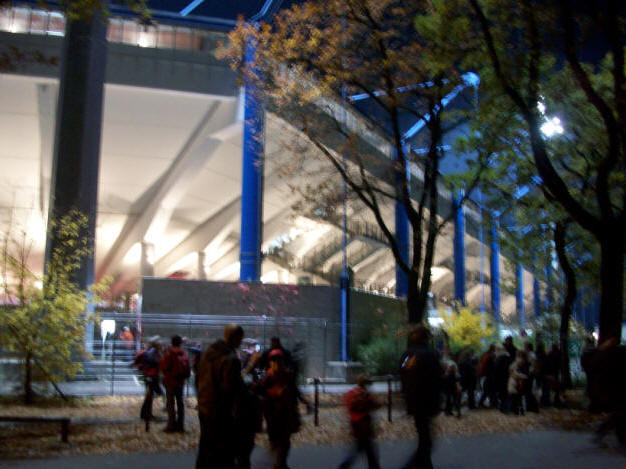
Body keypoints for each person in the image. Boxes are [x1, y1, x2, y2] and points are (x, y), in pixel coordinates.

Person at [196, 324, 245, 469]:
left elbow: (198, 378)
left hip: (204, 405)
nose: (241, 342)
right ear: (234, 337)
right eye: (240, 339)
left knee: (205, 447)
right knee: (222, 452)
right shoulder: (230, 359)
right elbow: (231, 389)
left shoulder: (208, 353)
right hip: (221, 411)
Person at [399, 325, 442, 469]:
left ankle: (424, 464)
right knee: (426, 437)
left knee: (423, 434)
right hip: (427, 400)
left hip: (413, 400)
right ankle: (416, 464)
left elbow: (402, 374)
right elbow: (437, 378)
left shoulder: (408, 355)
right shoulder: (430, 355)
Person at [254, 349, 301, 469]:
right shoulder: (267, 377)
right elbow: (258, 391)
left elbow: (294, 391)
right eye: (274, 361)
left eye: (279, 361)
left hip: (286, 412)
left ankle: (281, 464)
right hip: (272, 414)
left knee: (285, 440)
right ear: (270, 363)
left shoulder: (287, 375)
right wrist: (274, 393)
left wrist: (299, 404)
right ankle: (278, 463)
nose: (277, 363)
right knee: (276, 440)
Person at [337, 374, 380, 469]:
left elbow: (348, 406)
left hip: (355, 423)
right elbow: (375, 405)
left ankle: (345, 465)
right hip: (364, 423)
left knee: (362, 448)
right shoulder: (365, 395)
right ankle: (344, 466)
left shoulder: (351, 393)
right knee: (365, 449)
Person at [160, 335, 191, 433]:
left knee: (170, 404)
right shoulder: (183, 354)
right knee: (180, 404)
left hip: (170, 382)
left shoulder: (169, 354)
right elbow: (188, 369)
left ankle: (171, 425)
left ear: (172, 342)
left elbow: (164, 367)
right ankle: (180, 425)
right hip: (180, 382)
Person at [133, 337, 163, 421]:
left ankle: (146, 414)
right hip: (151, 376)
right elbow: (156, 363)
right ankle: (146, 414)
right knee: (150, 396)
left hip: (149, 375)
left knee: (150, 395)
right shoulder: (153, 353)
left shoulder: (148, 352)